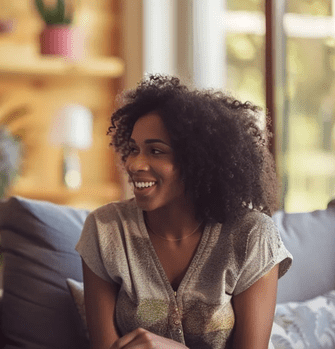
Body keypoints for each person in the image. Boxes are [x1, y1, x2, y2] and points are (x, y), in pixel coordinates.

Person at [76, 75, 292, 349]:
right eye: (132, 150)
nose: (134, 164)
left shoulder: (251, 236)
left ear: (197, 161)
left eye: (155, 151)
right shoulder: (106, 230)